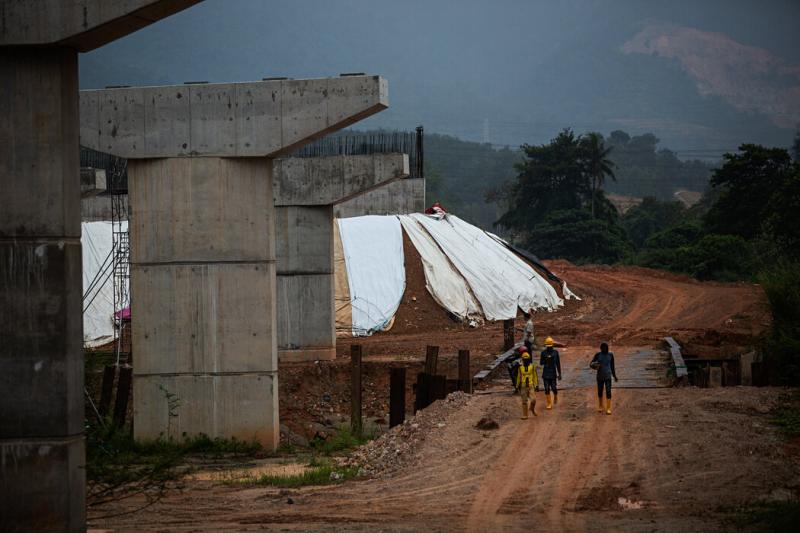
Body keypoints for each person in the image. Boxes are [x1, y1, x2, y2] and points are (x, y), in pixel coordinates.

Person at [590, 342, 618, 415]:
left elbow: (612, 366)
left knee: (608, 391)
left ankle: (608, 408)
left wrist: (614, 376)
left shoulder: (610, 355)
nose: (604, 349)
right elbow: (591, 363)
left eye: (606, 348)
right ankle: (600, 406)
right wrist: (594, 365)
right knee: (600, 391)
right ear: (601, 348)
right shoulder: (598, 355)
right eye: (603, 348)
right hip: (600, 377)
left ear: (607, 348)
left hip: (608, 376)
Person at [515, 349, 539, 419]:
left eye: (527, 359)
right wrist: (517, 386)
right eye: (524, 360)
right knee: (524, 401)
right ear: (522, 360)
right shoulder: (520, 368)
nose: (525, 361)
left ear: (529, 359)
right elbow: (519, 377)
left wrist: (536, 385)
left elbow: (535, 376)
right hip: (523, 386)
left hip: (531, 386)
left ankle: (532, 408)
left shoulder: (532, 367)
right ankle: (525, 415)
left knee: (533, 400)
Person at [540, 337, 562, 409]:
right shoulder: (543, 353)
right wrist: (546, 360)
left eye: (550, 346)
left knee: (553, 388)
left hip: (553, 373)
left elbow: (558, 363)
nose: (549, 348)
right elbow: (541, 363)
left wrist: (559, 374)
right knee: (546, 388)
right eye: (548, 346)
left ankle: (555, 395)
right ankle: (549, 403)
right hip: (546, 373)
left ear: (552, 345)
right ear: (546, 346)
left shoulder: (555, 353)